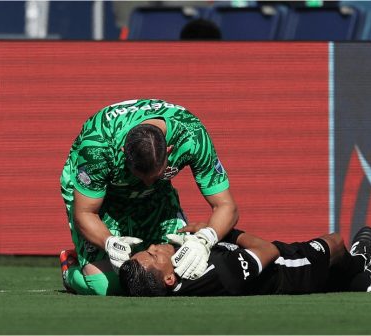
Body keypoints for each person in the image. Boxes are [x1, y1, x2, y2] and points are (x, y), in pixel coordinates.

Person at [59, 99, 239, 296]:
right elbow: (85, 212)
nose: (146, 184)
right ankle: (72, 270)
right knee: (104, 285)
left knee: (183, 273)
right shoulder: (98, 146)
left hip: (158, 195)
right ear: (123, 153)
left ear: (169, 151)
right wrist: (108, 241)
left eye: (157, 175)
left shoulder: (192, 136)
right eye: (140, 176)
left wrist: (205, 240)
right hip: (102, 196)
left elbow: (226, 206)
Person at [119, 226, 371, 296]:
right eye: (154, 255)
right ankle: (364, 271)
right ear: (169, 279)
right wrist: (218, 233)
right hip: (287, 269)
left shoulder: (179, 276)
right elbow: (268, 250)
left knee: (333, 274)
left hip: (271, 272)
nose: (155, 246)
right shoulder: (219, 273)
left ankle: (363, 280)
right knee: (335, 243)